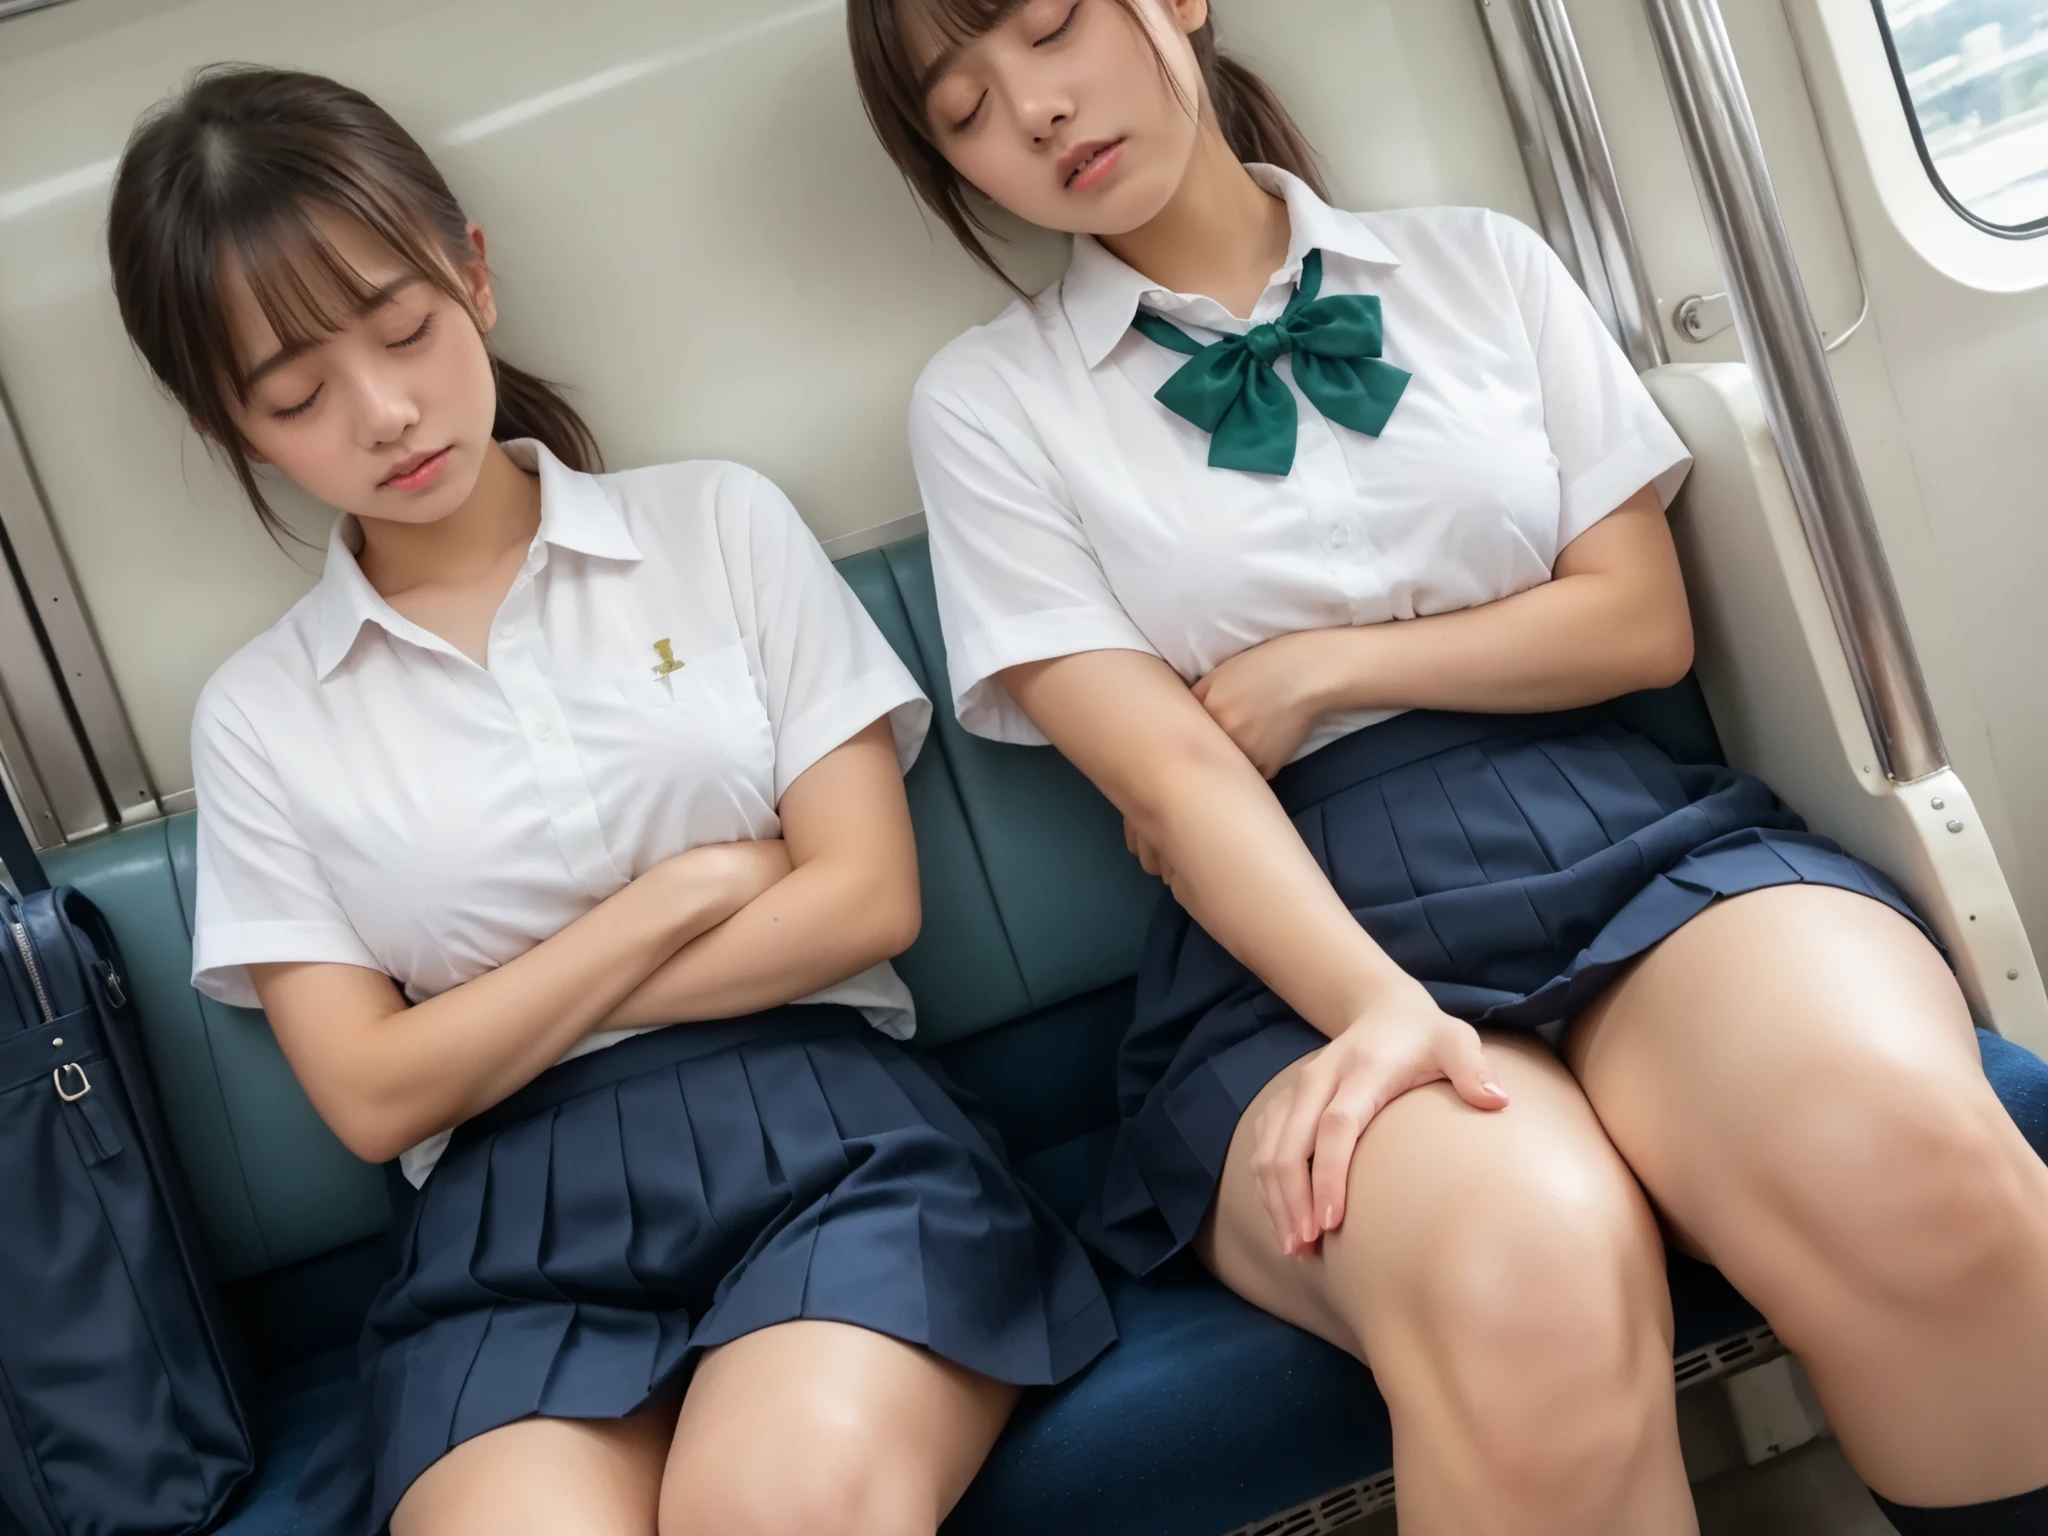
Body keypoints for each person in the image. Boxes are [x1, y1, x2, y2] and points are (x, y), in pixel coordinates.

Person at [845, 2, 2048, 1532]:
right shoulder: (990, 406)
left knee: (1915, 1168)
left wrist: (1322, 668)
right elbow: (1175, 784)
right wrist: (1380, 1012)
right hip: (1285, 935)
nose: (1034, 112)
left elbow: (1636, 623)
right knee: (1523, 1281)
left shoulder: (1477, 264)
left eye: (1052, 28)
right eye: (962, 112)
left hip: (1618, 829)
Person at [106, 65, 1112, 1536]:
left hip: (827, 1142)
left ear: (476, 276)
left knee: (776, 1507)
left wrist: (486, 1023)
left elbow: (862, 901)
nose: (386, 414)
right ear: (231, 426)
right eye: (301, 395)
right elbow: (376, 1097)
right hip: (501, 1246)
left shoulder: (713, 524)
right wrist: (685, 891)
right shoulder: (263, 716)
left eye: (405, 332)